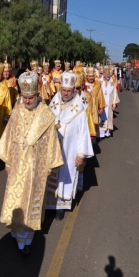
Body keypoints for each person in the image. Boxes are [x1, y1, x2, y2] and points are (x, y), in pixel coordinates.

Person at [0, 71, 64, 255]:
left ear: (37, 94)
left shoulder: (46, 115)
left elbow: (52, 142)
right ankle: (16, 231)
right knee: (15, 201)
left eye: (30, 97)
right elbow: (8, 137)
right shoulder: (16, 112)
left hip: (35, 169)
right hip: (17, 167)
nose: (27, 101)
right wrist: (7, 162)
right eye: (24, 97)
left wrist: (49, 166)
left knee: (30, 202)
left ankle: (26, 241)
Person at [46, 72, 93, 220]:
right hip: (53, 148)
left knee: (66, 175)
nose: (66, 93)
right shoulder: (54, 102)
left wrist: (81, 154)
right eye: (63, 90)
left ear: (73, 90)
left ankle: (61, 206)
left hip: (70, 149)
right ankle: (49, 205)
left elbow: (84, 132)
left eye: (69, 90)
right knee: (50, 174)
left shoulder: (79, 108)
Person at [83, 66, 106, 139]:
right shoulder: (83, 84)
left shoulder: (98, 85)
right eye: (89, 76)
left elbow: (100, 96)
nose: (91, 78)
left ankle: (93, 141)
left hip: (94, 107)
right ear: (87, 76)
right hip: (85, 108)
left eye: (92, 76)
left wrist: (101, 107)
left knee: (94, 123)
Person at [98, 68, 120, 138]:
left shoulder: (112, 83)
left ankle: (107, 132)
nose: (108, 75)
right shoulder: (99, 82)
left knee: (108, 117)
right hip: (101, 104)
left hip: (109, 104)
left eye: (109, 74)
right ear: (103, 74)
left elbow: (114, 94)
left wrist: (114, 104)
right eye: (107, 74)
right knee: (101, 118)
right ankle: (100, 133)